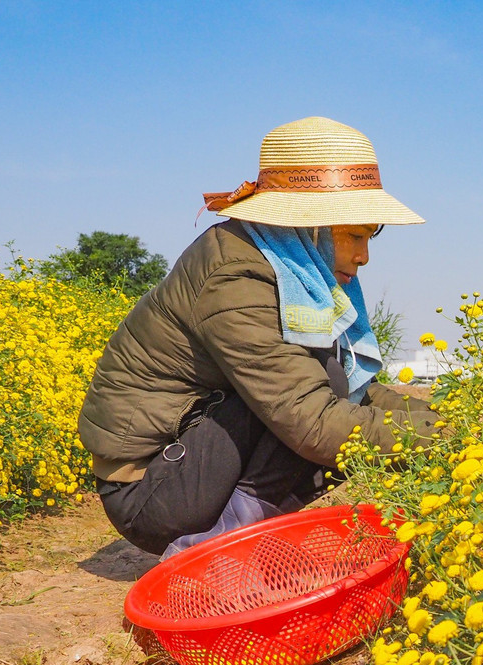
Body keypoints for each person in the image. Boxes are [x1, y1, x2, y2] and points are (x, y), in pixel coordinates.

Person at [79, 116, 437, 558]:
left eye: (370, 236)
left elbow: (356, 393)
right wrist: (441, 438)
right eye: (356, 235)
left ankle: (247, 532)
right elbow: (314, 421)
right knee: (323, 390)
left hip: (189, 465)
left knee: (328, 382)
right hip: (149, 494)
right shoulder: (237, 272)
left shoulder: (285, 266)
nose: (364, 256)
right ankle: (217, 548)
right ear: (311, 226)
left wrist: (445, 420)